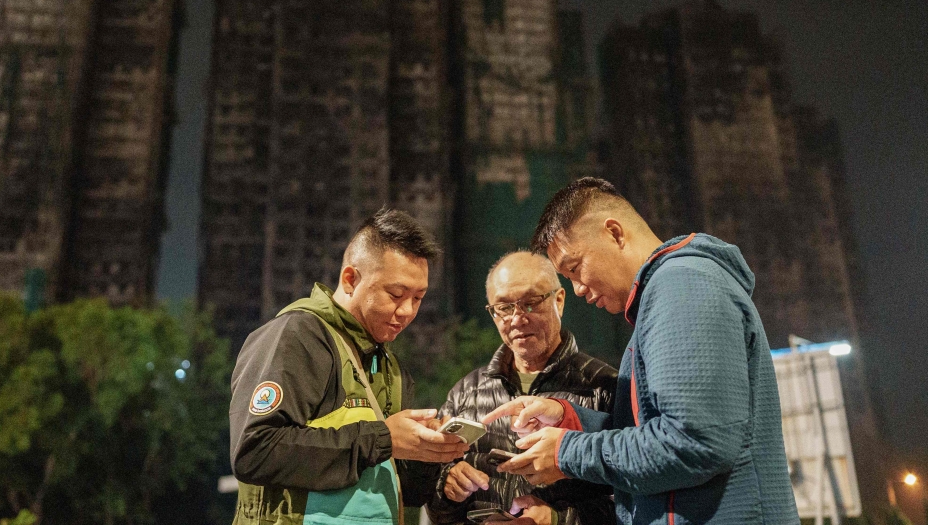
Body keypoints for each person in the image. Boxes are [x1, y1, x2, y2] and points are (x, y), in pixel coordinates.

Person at [482, 178, 799, 525]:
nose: (578, 290)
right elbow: (654, 428)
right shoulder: (660, 297)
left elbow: (693, 442)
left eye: (575, 269)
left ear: (614, 233)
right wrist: (569, 419)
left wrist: (566, 452)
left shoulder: (682, 286)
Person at [229, 209, 469, 525]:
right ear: (351, 279)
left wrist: (432, 456)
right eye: (396, 294)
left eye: (418, 298)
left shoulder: (390, 367)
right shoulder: (297, 337)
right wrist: (384, 439)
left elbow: (404, 491)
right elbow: (255, 452)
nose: (407, 311)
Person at [427, 251, 617, 525]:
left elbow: (635, 502)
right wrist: (447, 487)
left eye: (530, 302)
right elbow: (436, 511)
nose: (517, 318)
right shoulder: (467, 392)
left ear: (559, 301)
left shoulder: (604, 386)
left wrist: (557, 519)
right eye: (503, 308)